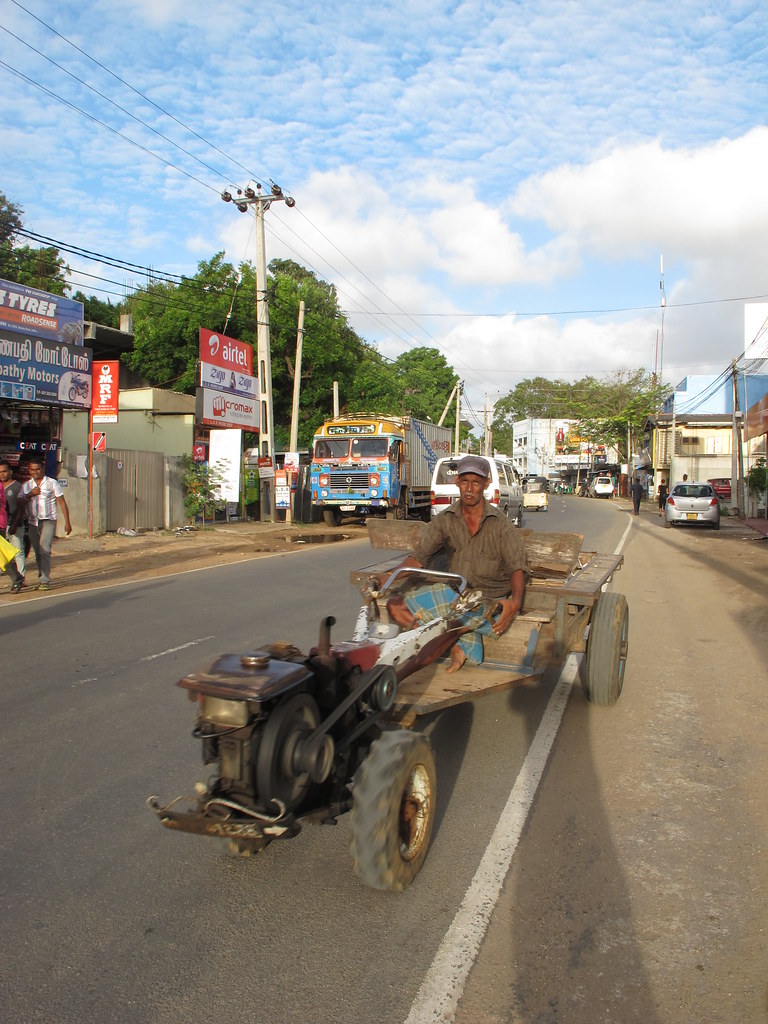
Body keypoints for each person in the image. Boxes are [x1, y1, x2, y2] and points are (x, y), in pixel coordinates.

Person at [385, 455, 527, 673]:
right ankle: (455, 644)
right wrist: (390, 576)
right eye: (464, 481)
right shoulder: (446, 519)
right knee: (393, 604)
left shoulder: (501, 525)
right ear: (457, 482)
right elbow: (420, 556)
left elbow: (517, 568)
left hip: (488, 600)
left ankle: (400, 676)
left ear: (486, 484)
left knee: (450, 624)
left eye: (476, 483)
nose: (469, 488)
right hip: (456, 594)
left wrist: (515, 603)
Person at [14, 457, 72, 591]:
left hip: (48, 520)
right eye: (33, 470)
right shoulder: (27, 485)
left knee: (44, 549)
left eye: (38, 469)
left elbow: (62, 502)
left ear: (43, 468)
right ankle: (42, 577)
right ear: (29, 471)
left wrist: (67, 523)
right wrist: (30, 495)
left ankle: (45, 580)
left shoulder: (52, 483)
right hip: (33, 522)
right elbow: (20, 502)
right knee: (38, 552)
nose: (35, 472)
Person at [0, 459, 26, 587]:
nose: (2, 474)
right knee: (4, 554)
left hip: (10, 523)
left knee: (14, 552)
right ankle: (17, 578)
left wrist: (16, 523)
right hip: (4, 523)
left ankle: (19, 578)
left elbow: (21, 506)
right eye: (0, 472)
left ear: (10, 472)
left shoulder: (16, 486)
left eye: (4, 471)